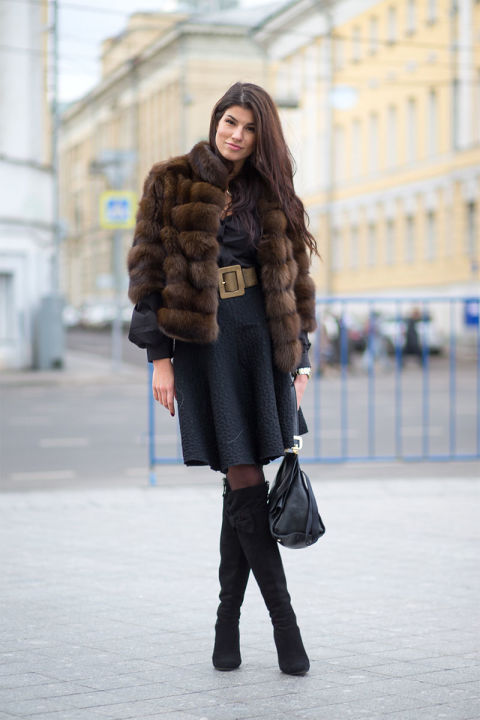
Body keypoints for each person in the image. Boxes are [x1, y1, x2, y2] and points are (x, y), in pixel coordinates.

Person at [127, 82, 318, 676]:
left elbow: (296, 279)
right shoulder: (172, 180)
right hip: (205, 345)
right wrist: (158, 357)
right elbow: (148, 272)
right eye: (229, 121)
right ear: (216, 121)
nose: (235, 134)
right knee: (243, 475)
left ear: (263, 137)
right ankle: (286, 629)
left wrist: (301, 356)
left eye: (249, 127)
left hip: (262, 339)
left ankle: (226, 625)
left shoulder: (272, 189)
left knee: (242, 486)